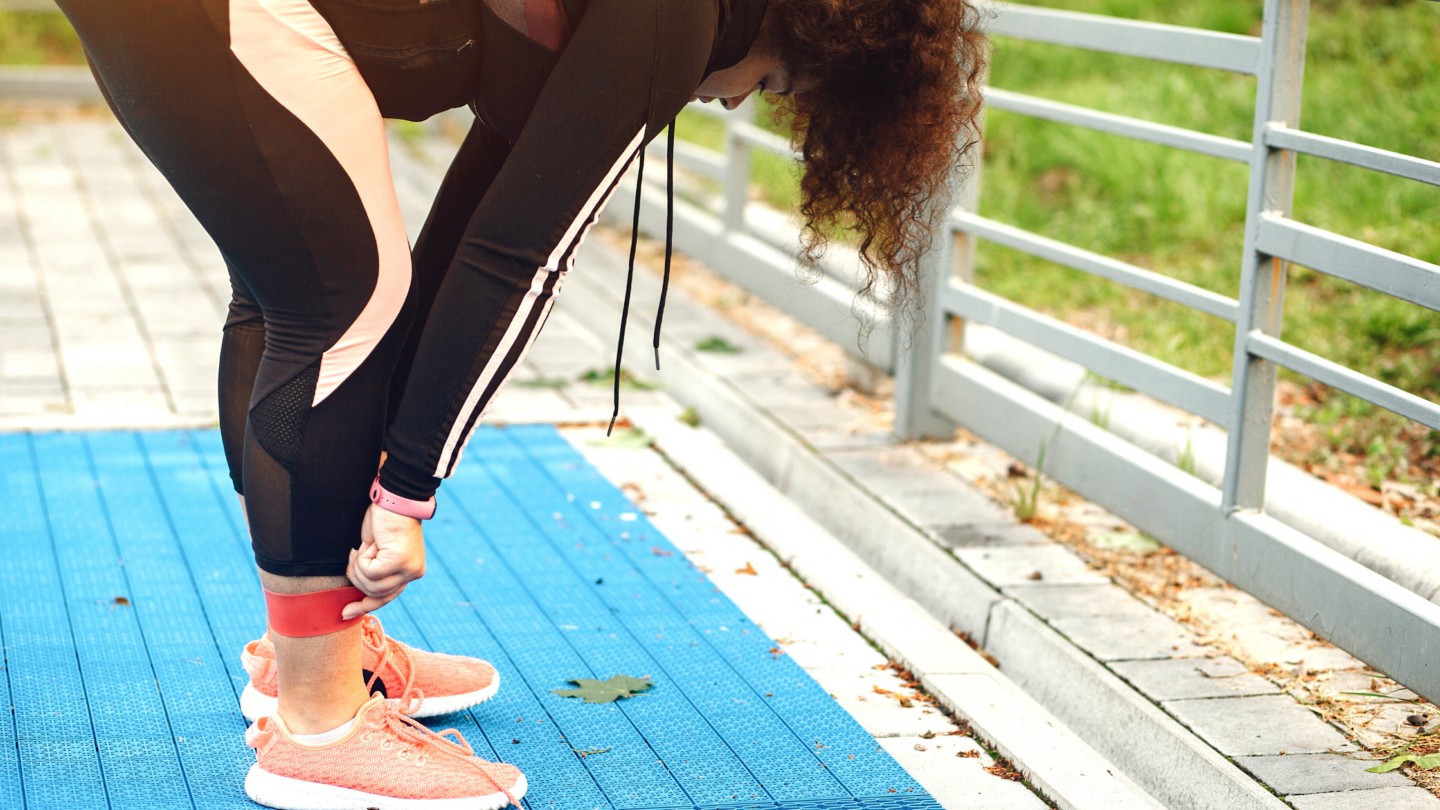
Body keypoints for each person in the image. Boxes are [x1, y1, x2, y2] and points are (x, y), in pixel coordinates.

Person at [52, 0, 985, 807]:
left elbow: (473, 239)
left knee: (296, 295)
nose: (740, 100)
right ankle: (322, 733)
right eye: (779, 83)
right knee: (341, 307)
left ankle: (307, 658)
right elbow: (521, 258)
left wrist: (396, 475)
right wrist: (405, 494)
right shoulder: (680, 15)